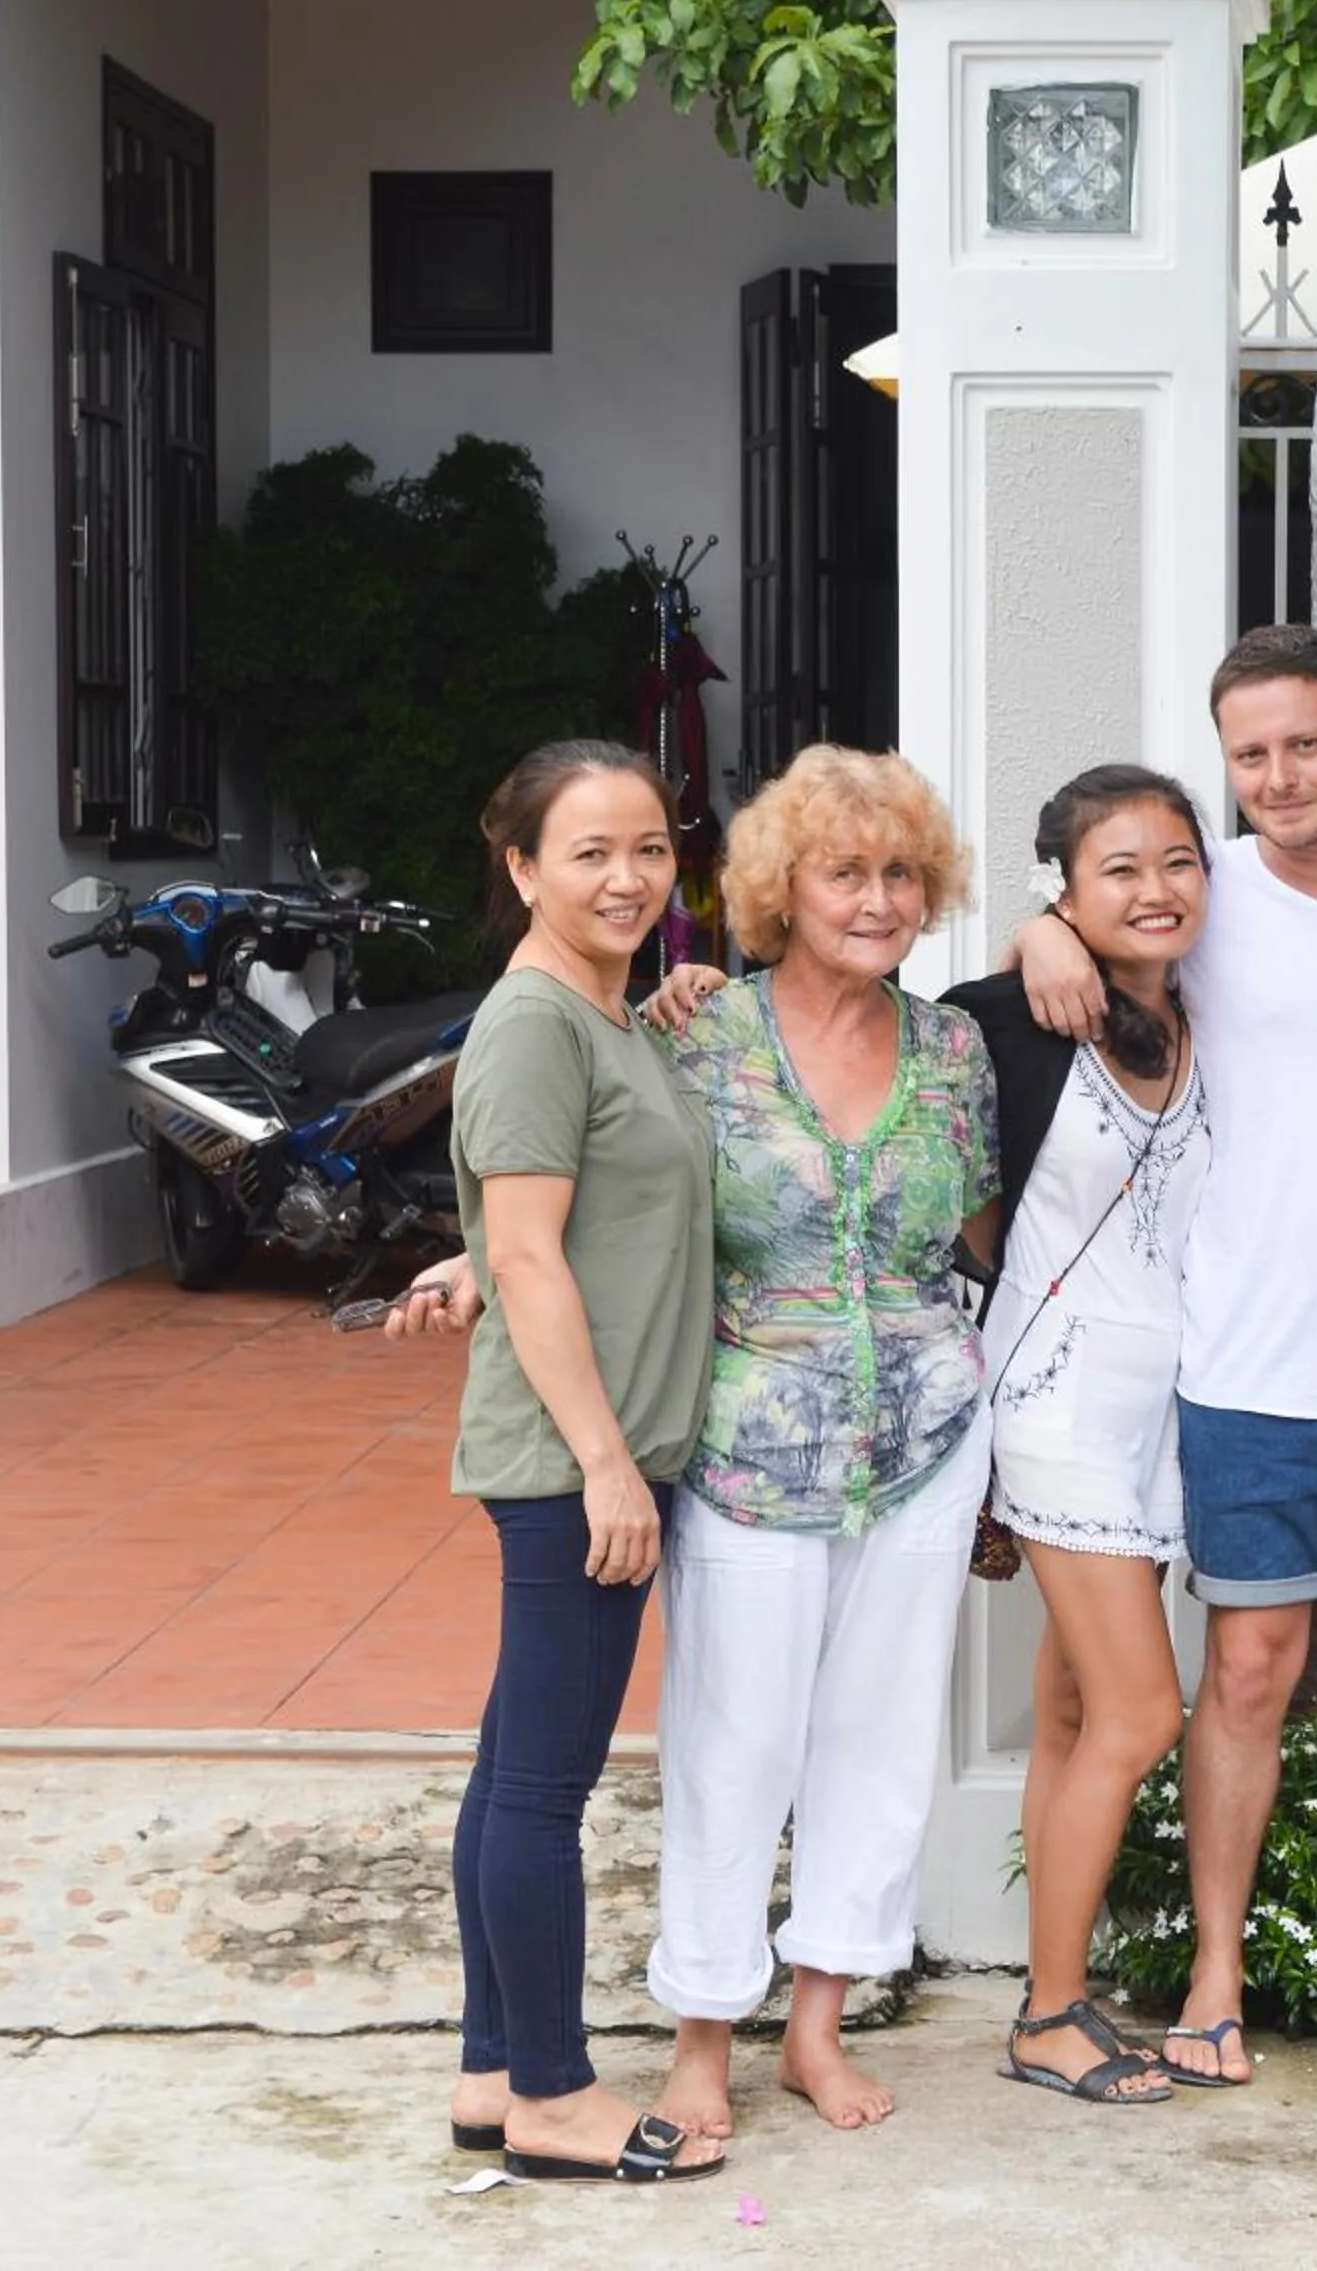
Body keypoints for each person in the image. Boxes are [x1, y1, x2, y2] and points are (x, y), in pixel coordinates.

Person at [408, 746, 1002, 2138]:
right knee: (730, 1748)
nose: (875, 898)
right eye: (842, 871)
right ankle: (697, 2039)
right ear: (775, 888)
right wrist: (484, 1259)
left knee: (879, 1737)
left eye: (900, 873)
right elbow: (579, 1187)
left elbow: (984, 1239)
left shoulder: (960, 1050)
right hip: (738, 1440)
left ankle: (817, 2026)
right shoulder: (692, 1029)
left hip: (923, 1440)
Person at [1019, 625, 1317, 2091]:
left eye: (1304, 743)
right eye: (1250, 754)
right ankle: (1213, 1976)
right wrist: (1036, 926)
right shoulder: (1206, 901)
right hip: (1244, 1361)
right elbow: (1082, 938)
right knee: (1246, 1675)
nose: (1278, 776)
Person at [442, 738, 724, 2185]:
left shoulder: (611, 1018)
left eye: (651, 849)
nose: (626, 877)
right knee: (546, 1787)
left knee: (510, 1771)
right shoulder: (537, 1020)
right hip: (573, 1460)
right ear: (523, 867)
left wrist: (678, 1018)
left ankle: (496, 2069)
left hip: (588, 1450)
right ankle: (554, 2090)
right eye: (590, 852)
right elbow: (532, 1252)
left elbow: (545, 1209)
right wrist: (610, 1464)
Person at [945, 766, 1214, 2106]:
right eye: (1119, 868)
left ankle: (1056, 1990)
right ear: (1062, 888)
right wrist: (1030, 943)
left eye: (1177, 861)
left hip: (1162, 1411)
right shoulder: (1005, 1014)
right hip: (1053, 1399)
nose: (1155, 890)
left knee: (1067, 1706)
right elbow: (949, 1198)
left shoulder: (1214, 1019)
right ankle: (1052, 2011)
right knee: (1142, 1706)